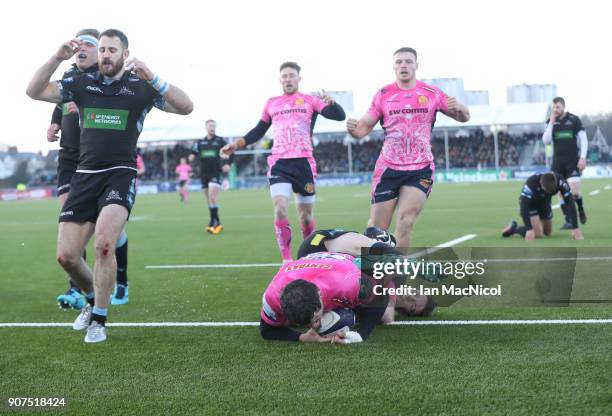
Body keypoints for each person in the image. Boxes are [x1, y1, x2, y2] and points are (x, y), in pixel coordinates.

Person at [26, 28, 193, 343]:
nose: (105, 55)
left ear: (125, 54)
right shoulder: (80, 83)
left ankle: (99, 320)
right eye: (102, 49)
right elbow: (34, 91)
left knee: (104, 243)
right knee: (66, 257)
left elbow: (186, 107)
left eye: (112, 50)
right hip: (84, 175)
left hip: (120, 173)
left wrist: (154, 77)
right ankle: (92, 300)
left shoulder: (141, 87)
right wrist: (55, 58)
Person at [347, 47, 470, 251]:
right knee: (377, 230)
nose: (403, 65)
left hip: (420, 168)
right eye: (399, 62)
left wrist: (459, 107)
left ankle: (397, 279)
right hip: (388, 168)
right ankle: (372, 277)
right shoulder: (383, 95)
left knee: (406, 222)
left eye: (408, 61)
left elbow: (464, 117)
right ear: (394, 66)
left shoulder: (431, 93)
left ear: (416, 65)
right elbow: (363, 127)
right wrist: (353, 130)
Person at [221, 62, 346, 261]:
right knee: (279, 208)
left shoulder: (310, 100)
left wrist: (333, 104)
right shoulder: (272, 103)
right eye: (285, 76)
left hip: (304, 163)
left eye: (291, 75)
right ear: (280, 80)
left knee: (305, 216)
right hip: (279, 163)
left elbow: (340, 117)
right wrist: (236, 145)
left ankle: (309, 256)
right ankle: (286, 260)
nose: (288, 79)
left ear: (298, 78)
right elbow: (258, 131)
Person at [542, 97, 588, 229]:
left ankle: (580, 208)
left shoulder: (574, 120)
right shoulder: (550, 122)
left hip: (572, 162)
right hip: (557, 163)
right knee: (559, 192)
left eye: (558, 107)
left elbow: (583, 139)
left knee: (574, 192)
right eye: (553, 107)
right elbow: (546, 141)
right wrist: (551, 122)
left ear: (564, 107)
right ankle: (568, 220)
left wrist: (583, 158)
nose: (555, 110)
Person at [502, 172, 583, 240]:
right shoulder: (531, 183)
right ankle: (514, 228)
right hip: (531, 204)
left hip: (545, 203)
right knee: (537, 234)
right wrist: (529, 229)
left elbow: (570, 203)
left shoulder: (561, 182)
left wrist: (575, 228)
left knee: (547, 232)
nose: (548, 193)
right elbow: (524, 207)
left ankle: (534, 226)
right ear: (541, 184)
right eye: (546, 190)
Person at [189, 120, 230, 233]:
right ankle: (218, 222)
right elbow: (193, 154)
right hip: (203, 174)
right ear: (206, 127)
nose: (212, 128)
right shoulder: (200, 142)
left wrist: (227, 164)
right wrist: (191, 159)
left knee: (212, 197)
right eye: (210, 126)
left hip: (215, 173)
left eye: (214, 126)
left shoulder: (220, 141)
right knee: (209, 200)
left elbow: (230, 152)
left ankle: (212, 222)